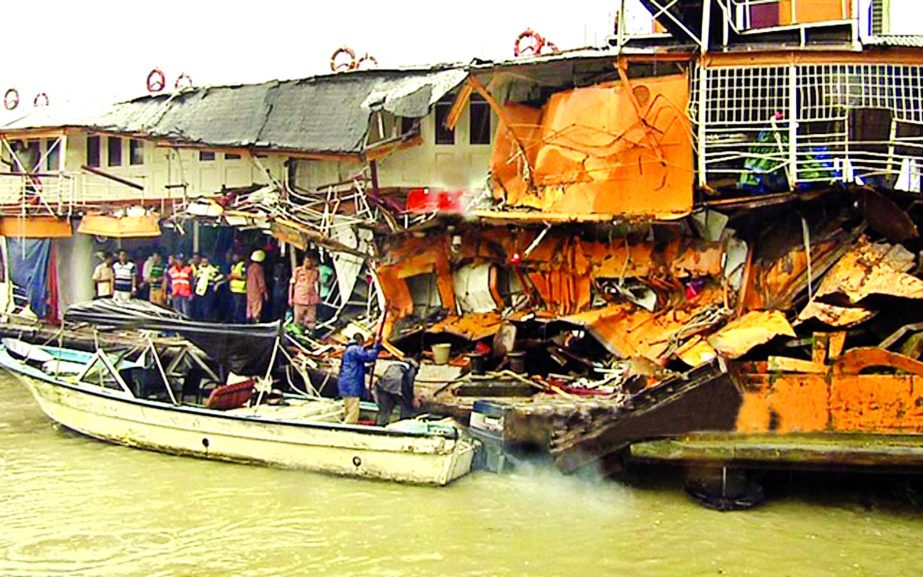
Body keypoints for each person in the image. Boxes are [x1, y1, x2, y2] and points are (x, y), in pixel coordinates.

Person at [338, 333, 381, 424]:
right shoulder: (355, 349)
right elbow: (369, 357)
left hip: (345, 382)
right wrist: (377, 345)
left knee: (348, 408)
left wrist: (366, 369)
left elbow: (354, 366)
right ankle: (348, 427)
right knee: (353, 410)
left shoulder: (348, 351)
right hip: (351, 383)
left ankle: (346, 424)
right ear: (361, 341)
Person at [374, 357, 419, 426]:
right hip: (395, 386)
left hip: (382, 386)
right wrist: (411, 399)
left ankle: (380, 426)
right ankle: (404, 425)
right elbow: (408, 385)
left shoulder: (393, 365)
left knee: (384, 410)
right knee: (407, 406)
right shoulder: (411, 368)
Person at [289, 255, 319, 333]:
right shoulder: (298, 271)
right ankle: (297, 335)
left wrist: (318, 296)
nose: (308, 263)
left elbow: (318, 284)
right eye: (307, 261)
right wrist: (290, 298)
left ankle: (310, 335)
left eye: (310, 262)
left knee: (311, 320)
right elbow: (292, 284)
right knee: (298, 320)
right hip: (299, 299)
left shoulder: (316, 272)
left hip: (311, 300)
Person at [193, 255, 224, 321]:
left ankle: (207, 321)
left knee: (207, 307)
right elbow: (194, 278)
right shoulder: (198, 269)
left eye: (206, 261)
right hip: (199, 290)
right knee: (199, 307)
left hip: (209, 289)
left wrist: (216, 284)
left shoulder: (213, 269)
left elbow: (222, 277)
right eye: (203, 261)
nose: (204, 263)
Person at [246, 250, 268, 323]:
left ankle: (249, 320)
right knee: (257, 307)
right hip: (257, 291)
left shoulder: (250, 268)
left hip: (249, 290)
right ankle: (255, 322)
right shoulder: (259, 269)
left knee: (250, 306)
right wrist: (265, 294)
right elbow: (261, 282)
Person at [228, 253, 248, 323]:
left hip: (240, 290)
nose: (234, 257)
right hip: (233, 290)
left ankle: (240, 322)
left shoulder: (242, 265)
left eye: (236, 255)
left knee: (239, 308)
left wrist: (236, 276)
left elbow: (245, 277)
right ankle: (234, 320)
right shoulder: (233, 266)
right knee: (233, 307)